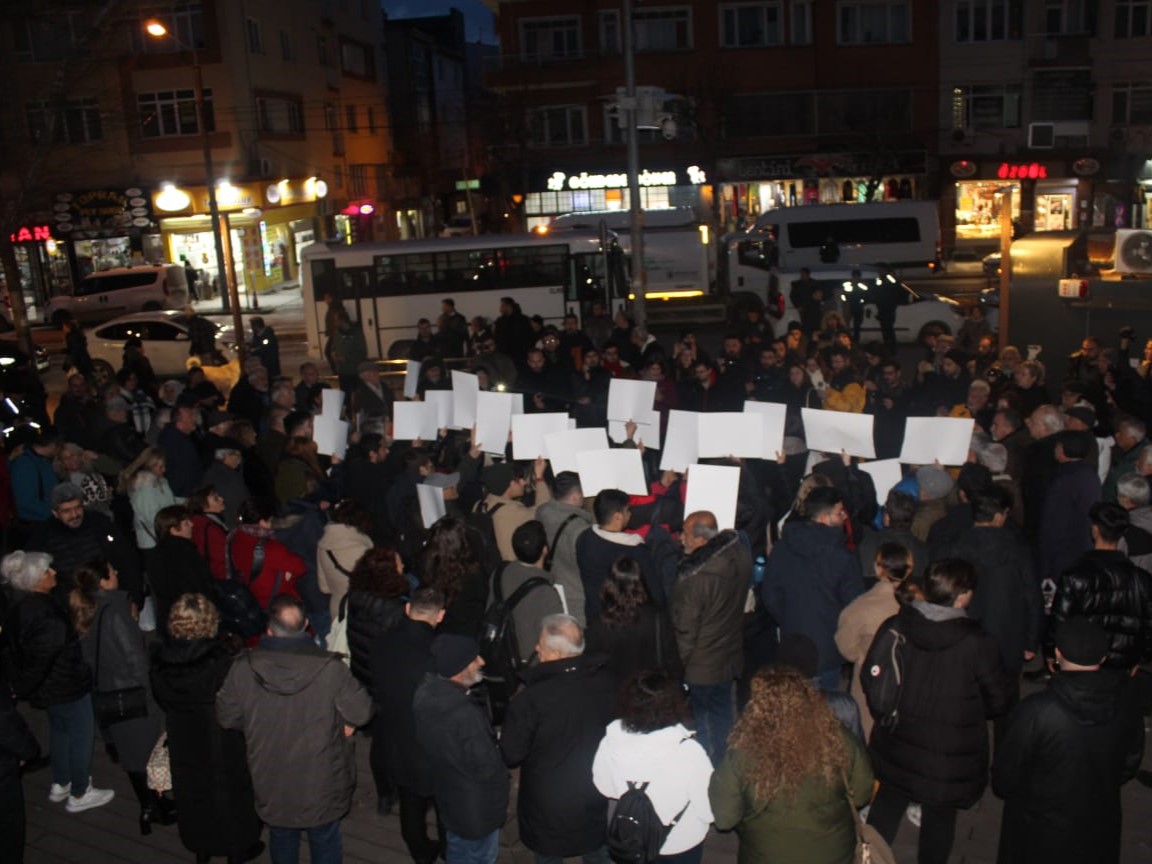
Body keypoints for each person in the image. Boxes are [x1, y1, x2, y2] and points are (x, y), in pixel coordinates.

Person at [866, 558, 1014, 864]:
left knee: (886, 808)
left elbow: (872, 676)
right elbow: (999, 700)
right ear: (962, 596)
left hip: (898, 740)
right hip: (948, 752)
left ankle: (868, 859)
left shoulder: (898, 624)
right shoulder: (977, 642)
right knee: (939, 821)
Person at [216, 595, 373, 864]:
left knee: (281, 835)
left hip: (270, 772)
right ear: (307, 625)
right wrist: (342, 723)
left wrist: (256, 724)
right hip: (322, 777)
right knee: (324, 837)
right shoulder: (330, 668)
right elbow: (362, 711)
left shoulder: (242, 668)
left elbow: (226, 716)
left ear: (269, 628)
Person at [992, 616, 1145, 864]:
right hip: (1098, 821)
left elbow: (1007, 774)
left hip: (1038, 826)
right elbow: (1130, 761)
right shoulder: (1126, 703)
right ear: (1103, 658)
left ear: (1058, 655)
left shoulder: (1037, 710)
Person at [709, 666, 875, 864]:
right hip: (833, 854)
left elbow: (725, 818)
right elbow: (862, 793)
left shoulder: (741, 754)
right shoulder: (839, 740)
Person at [0, 551, 115, 813]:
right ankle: (80, 791)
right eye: (46, 571)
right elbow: (44, 657)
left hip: (49, 689)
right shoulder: (46, 615)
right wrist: (23, 686)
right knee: (81, 736)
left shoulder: (18, 605)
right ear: (35, 580)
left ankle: (61, 781)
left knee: (61, 733)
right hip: (66, 685)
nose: (53, 573)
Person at [500, 615, 618, 864]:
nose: (535, 648)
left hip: (546, 804)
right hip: (596, 791)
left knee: (548, 855)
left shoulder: (529, 699)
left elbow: (511, 754)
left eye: (540, 645)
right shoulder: (607, 683)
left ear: (553, 654)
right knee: (598, 852)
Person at [70, 558, 171, 834]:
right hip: (133, 696)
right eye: (112, 571)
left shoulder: (89, 609)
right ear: (103, 581)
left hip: (108, 695)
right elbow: (135, 660)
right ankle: (153, 808)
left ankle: (149, 806)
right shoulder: (114, 611)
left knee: (131, 755)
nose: (116, 572)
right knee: (146, 754)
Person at [592, 670, 714, 864]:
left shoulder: (610, 741)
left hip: (632, 838)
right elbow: (707, 808)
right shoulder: (689, 751)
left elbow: (604, 786)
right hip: (681, 843)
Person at [413, 635, 510, 864]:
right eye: (473, 659)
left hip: (450, 799)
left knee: (458, 851)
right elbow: (486, 767)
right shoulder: (464, 714)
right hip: (476, 809)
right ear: (458, 669)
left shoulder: (425, 693)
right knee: (481, 857)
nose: (482, 661)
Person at [370, 587, 446, 864]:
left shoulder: (381, 642)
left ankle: (420, 852)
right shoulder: (438, 653)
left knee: (410, 802)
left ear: (407, 609)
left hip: (394, 735)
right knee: (444, 802)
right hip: (430, 741)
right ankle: (449, 849)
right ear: (440, 616)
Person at [762, 486, 864, 690]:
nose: (844, 517)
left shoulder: (782, 548)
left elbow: (770, 595)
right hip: (829, 648)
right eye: (839, 513)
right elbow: (855, 605)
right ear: (824, 518)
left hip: (792, 645)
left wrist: (789, 619)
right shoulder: (842, 557)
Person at [670, 511, 750, 766]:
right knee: (726, 718)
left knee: (704, 726)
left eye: (685, 533)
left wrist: (677, 669)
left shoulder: (694, 580)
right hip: (729, 657)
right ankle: (728, 769)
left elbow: (685, 632)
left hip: (701, 668)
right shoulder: (739, 556)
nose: (681, 538)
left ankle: (707, 772)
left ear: (701, 540)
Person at [1050, 502, 1152, 670]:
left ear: (1095, 530)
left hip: (1083, 660)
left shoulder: (1075, 576)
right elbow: (1148, 625)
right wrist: (1140, 658)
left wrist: (1051, 653)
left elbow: (1059, 621)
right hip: (1123, 661)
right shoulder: (1142, 579)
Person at [835, 541, 912, 742]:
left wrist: (862, 656)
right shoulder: (918, 603)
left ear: (878, 568)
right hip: (908, 681)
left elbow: (845, 644)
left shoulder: (862, 606)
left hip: (870, 680)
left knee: (868, 733)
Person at [27, 481, 141, 599]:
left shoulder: (99, 523)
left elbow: (126, 558)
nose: (74, 514)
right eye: (66, 511)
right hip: (68, 604)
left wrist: (134, 598)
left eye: (78, 508)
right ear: (55, 513)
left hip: (108, 597)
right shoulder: (43, 536)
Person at [585, 556, 682, 682]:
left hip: (614, 691)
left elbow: (591, 664)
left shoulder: (599, 623)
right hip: (649, 688)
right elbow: (671, 658)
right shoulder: (657, 617)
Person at [577, 489, 657, 623]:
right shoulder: (635, 551)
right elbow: (654, 592)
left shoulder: (584, 539)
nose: (630, 514)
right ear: (618, 516)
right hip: (624, 622)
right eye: (628, 510)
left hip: (594, 617)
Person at [500, 521, 564, 664]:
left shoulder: (499, 573)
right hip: (530, 662)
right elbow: (556, 636)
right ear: (545, 550)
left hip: (502, 654)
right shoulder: (546, 591)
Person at [535, 471, 594, 626]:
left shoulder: (542, 512)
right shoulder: (579, 529)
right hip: (575, 595)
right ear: (575, 496)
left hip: (550, 587)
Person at [149, 505, 217, 629]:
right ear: (174, 530)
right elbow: (200, 585)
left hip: (172, 618)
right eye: (186, 523)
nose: (191, 525)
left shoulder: (156, 554)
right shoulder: (186, 552)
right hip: (193, 616)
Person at [317, 498, 375, 623]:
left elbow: (324, 587)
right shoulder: (363, 549)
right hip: (363, 613)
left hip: (339, 612)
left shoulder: (323, 546)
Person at [158, 404, 204, 497]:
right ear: (179, 422)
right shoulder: (176, 442)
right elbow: (183, 471)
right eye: (190, 416)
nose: (194, 419)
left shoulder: (178, 437)